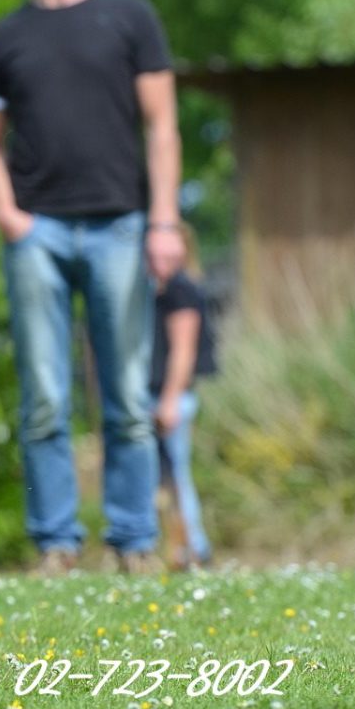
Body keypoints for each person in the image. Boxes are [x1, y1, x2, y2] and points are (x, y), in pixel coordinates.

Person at [0, 0, 185, 574]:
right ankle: (56, 544)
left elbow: (164, 126)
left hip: (119, 226)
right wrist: (8, 215)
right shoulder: (3, 37)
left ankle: (134, 539)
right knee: (43, 395)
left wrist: (165, 220)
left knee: (124, 392)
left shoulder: (131, 17)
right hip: (36, 233)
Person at [148, 223, 216, 570]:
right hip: (157, 397)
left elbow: (183, 353)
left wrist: (169, 401)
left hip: (169, 399)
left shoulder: (181, 290)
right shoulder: (159, 290)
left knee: (175, 479)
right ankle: (178, 550)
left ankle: (191, 550)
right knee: (163, 481)